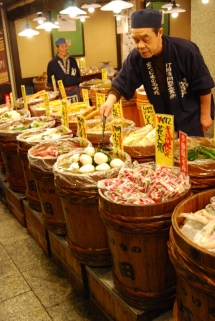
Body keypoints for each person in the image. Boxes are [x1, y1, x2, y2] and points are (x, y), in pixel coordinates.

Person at [99, 9, 215, 137]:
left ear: (159, 33)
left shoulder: (185, 50)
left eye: (145, 39)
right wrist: (109, 102)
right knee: (166, 155)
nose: (140, 45)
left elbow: (203, 85)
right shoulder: (136, 56)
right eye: (136, 40)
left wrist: (205, 115)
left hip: (189, 116)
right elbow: (122, 82)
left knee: (190, 154)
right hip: (163, 119)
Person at [47, 37, 82, 102]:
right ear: (56, 48)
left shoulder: (72, 60)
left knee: (78, 110)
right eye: (62, 46)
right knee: (64, 111)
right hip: (61, 92)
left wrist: (78, 88)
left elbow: (78, 76)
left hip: (74, 90)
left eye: (66, 46)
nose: (65, 48)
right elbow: (50, 82)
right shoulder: (51, 63)